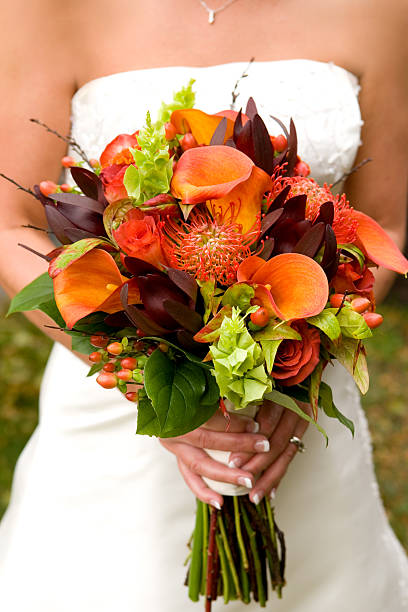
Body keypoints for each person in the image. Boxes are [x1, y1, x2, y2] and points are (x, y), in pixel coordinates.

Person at [0, 1, 407, 610]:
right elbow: (10, 224)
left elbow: (388, 226)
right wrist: (152, 378)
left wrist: (301, 369)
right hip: (118, 417)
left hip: (298, 407)